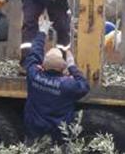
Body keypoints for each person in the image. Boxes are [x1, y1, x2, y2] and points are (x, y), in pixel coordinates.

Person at [23, 17, 90, 145]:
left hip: (34, 133)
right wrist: (72, 66)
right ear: (62, 69)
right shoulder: (67, 85)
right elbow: (84, 86)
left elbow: (33, 55)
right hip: (58, 137)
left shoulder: (34, 76)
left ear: (42, 66)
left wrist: (42, 32)